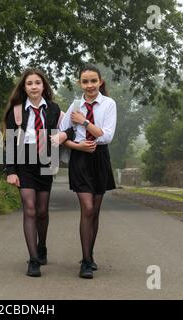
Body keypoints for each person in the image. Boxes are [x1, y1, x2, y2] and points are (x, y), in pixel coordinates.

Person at [1, 68, 70, 277]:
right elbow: (10, 142)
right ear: (24, 87)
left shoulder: (54, 109)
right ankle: (33, 260)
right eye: (29, 83)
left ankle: (42, 247)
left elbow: (70, 128)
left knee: (42, 211)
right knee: (29, 209)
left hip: (46, 161)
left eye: (37, 83)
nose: (33, 87)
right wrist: (11, 170)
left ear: (43, 86)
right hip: (24, 161)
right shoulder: (17, 111)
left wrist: (63, 136)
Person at [52, 63, 117, 279]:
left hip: (100, 158)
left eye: (93, 81)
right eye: (85, 81)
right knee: (87, 209)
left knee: (95, 211)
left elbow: (106, 136)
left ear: (100, 82)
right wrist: (77, 146)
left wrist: (84, 121)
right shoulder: (75, 105)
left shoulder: (109, 104)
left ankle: (89, 253)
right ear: (79, 83)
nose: (89, 85)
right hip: (80, 158)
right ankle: (86, 262)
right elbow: (63, 135)